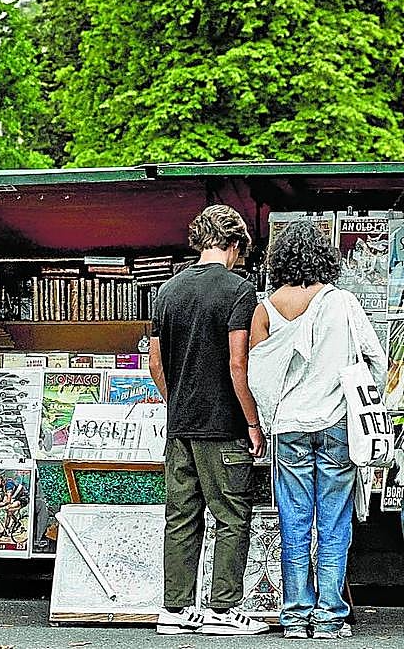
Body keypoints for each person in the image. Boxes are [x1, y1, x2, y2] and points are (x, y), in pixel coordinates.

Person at [248, 220, 387, 639]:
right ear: (325, 258)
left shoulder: (265, 308)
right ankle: (328, 616)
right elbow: (375, 362)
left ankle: (293, 616)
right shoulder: (342, 302)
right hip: (336, 425)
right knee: (333, 523)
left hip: (288, 427)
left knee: (292, 522)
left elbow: (258, 376)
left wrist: (271, 417)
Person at [149, 205, 269, 637]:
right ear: (235, 244)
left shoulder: (167, 291)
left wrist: (177, 399)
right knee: (232, 516)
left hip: (180, 425)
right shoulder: (240, 290)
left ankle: (175, 610)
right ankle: (224, 609)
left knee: (181, 516)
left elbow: (155, 362)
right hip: (223, 427)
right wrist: (252, 423)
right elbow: (239, 364)